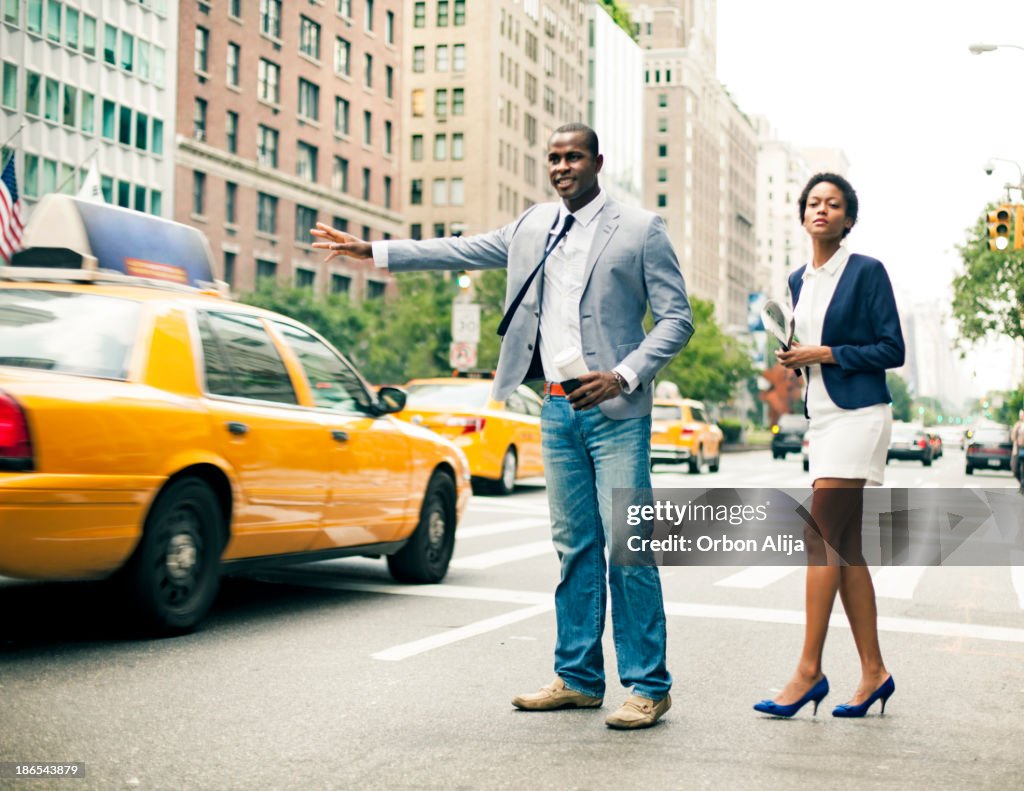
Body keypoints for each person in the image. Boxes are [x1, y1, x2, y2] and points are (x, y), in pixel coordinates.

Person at [312, 123, 693, 729]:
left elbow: (677, 319)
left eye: (573, 157)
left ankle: (649, 685)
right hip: (556, 406)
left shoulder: (640, 229)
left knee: (628, 548)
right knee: (575, 549)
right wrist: (372, 251)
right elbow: (458, 249)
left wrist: (622, 375)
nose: (562, 166)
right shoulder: (532, 226)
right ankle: (577, 678)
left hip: (617, 410)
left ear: (598, 161)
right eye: (554, 158)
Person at [754, 173, 905, 719]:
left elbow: (892, 347)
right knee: (844, 548)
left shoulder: (866, 272)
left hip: (861, 414)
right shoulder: (798, 280)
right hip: (822, 417)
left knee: (819, 538)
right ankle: (874, 672)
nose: (822, 210)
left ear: (848, 218)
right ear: (803, 216)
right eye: (814, 203)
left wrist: (824, 354)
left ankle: (808, 672)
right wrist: (794, 357)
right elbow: (807, 349)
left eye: (833, 204)